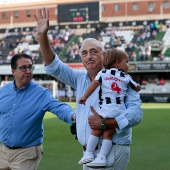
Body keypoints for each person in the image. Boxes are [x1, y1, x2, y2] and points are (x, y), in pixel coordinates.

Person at [34, 7, 143, 170]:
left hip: (112, 150)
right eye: (84, 53)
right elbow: (54, 66)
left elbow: (136, 114)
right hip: (89, 154)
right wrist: (43, 36)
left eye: (93, 51)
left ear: (104, 55)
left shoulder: (121, 79)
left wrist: (106, 123)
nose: (88, 56)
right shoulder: (79, 78)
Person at [0, 53, 75, 170]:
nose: (28, 71)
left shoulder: (41, 93)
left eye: (30, 67)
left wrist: (74, 115)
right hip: (3, 152)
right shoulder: (3, 91)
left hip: (26, 153)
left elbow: (59, 107)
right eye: (23, 68)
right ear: (13, 71)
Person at [78, 48, 141, 167]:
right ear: (117, 63)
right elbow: (136, 87)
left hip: (106, 109)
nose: (128, 65)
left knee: (95, 131)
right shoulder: (126, 77)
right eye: (126, 62)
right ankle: (101, 157)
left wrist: (84, 96)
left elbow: (94, 84)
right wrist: (138, 87)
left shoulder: (103, 74)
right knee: (107, 134)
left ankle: (89, 154)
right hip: (118, 110)